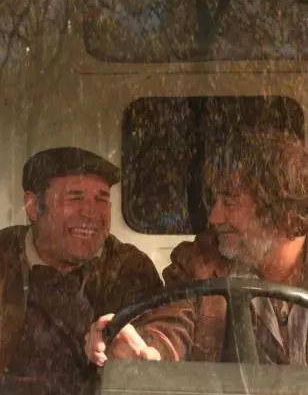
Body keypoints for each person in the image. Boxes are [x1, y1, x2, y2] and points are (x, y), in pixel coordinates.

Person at [0, 147, 163, 395]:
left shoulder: (130, 269)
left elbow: (149, 352)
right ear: (33, 206)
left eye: (101, 199)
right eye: (75, 197)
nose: (91, 213)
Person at [86, 126, 308, 366]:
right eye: (215, 200)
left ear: (277, 207)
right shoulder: (198, 261)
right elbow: (170, 325)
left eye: (229, 201)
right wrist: (144, 349)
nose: (214, 217)